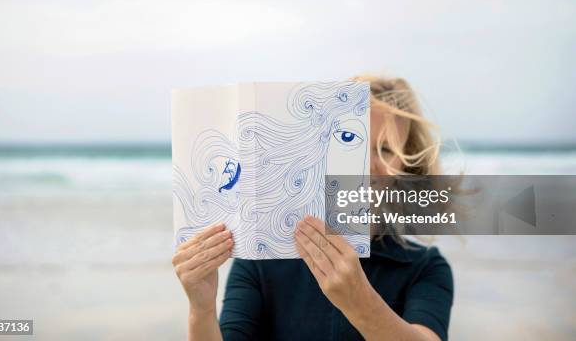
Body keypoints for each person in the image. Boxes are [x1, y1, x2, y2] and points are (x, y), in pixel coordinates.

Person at [172, 75, 454, 340]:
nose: (366, 165)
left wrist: (359, 301)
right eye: (350, 140)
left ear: (407, 167)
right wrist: (201, 310)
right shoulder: (260, 259)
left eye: (386, 150)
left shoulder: (425, 267)